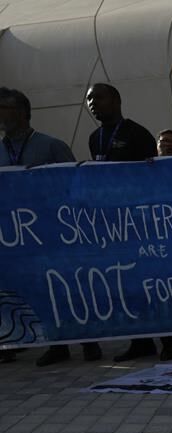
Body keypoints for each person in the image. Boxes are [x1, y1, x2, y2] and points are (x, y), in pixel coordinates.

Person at [0, 87, 103, 367]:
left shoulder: (50, 145)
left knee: (69, 286)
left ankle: (89, 341)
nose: (1, 115)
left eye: (5, 108)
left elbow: (74, 184)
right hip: (16, 238)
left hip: (54, 232)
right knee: (40, 291)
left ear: (23, 112)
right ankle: (57, 344)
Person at [85, 83, 172, 363]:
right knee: (130, 284)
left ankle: (171, 341)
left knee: (156, 283)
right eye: (89, 99)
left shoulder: (136, 133)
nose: (93, 103)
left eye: (98, 97)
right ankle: (141, 341)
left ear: (116, 100)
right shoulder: (94, 138)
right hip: (115, 224)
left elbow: (152, 175)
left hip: (143, 222)